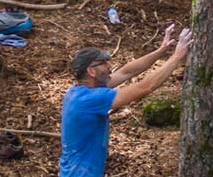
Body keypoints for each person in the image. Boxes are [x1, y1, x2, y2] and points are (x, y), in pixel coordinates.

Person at [59, 24, 193, 177]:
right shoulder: (91, 99)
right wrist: (176, 56)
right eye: (103, 63)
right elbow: (145, 87)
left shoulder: (79, 91)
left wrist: (161, 50)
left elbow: (126, 72)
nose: (109, 67)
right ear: (91, 71)